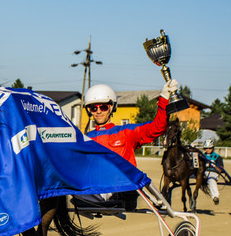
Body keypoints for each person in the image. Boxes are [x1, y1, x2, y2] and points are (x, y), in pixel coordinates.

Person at [73, 80, 179, 209]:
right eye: (94, 108)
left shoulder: (127, 132)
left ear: (111, 107)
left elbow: (157, 128)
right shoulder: (86, 138)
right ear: (89, 110)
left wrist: (163, 99)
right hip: (97, 188)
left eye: (103, 107)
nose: (98, 111)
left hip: (122, 188)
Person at [202, 138, 223, 205]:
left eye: (209, 148)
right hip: (203, 172)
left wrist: (214, 165)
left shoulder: (217, 157)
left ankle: (215, 196)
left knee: (211, 180)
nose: (207, 150)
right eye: (205, 148)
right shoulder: (202, 156)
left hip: (213, 172)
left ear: (212, 148)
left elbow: (221, 169)